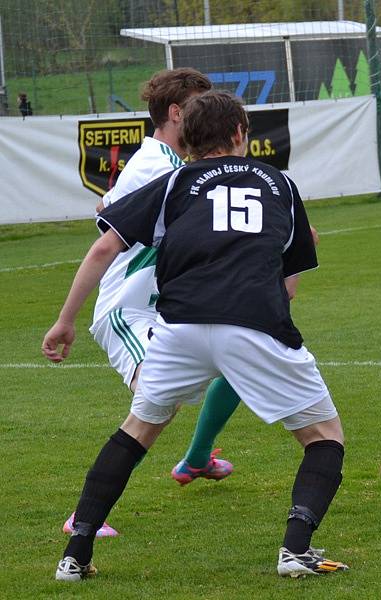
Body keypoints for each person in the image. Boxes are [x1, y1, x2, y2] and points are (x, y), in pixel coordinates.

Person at [43, 90, 348, 580]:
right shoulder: (281, 184)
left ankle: (74, 556)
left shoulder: (173, 182)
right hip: (252, 322)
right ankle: (295, 550)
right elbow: (291, 274)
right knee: (323, 436)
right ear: (239, 134)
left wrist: (64, 320)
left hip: (178, 327)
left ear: (187, 137)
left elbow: (104, 248)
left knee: (138, 430)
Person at [59, 68, 240, 538]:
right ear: (177, 113)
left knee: (242, 357)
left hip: (164, 306)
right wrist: (66, 321)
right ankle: (84, 516)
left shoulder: (162, 163)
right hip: (127, 309)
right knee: (153, 403)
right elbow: (107, 236)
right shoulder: (158, 166)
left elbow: (106, 210)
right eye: (199, 107)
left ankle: (197, 459)